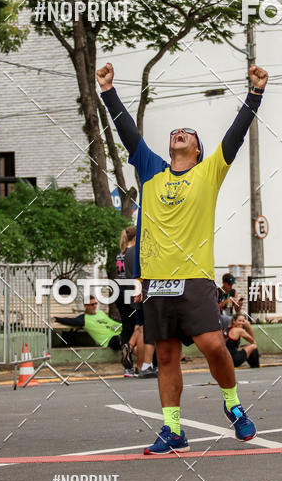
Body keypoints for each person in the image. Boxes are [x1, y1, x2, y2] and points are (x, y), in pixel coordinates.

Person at [96, 59, 268, 455]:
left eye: (187, 133)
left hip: (193, 276)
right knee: (168, 354)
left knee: (212, 343)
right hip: (156, 280)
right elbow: (127, 133)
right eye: (175, 132)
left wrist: (255, 94)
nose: (178, 134)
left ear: (197, 149)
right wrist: (108, 91)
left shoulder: (208, 174)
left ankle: (234, 407)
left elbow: (236, 136)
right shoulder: (151, 170)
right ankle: (173, 430)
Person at [120, 225, 158, 379]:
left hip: (132, 292)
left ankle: (129, 347)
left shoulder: (126, 252)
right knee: (145, 329)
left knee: (139, 327)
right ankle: (144, 365)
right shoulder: (137, 251)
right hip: (142, 292)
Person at [53, 296, 123, 351]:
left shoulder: (100, 313)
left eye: (95, 304)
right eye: (92, 304)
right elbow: (70, 320)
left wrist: (125, 327)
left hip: (119, 334)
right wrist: (56, 319)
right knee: (124, 340)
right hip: (110, 340)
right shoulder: (83, 319)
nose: (94, 306)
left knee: (132, 332)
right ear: (85, 306)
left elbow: (112, 324)